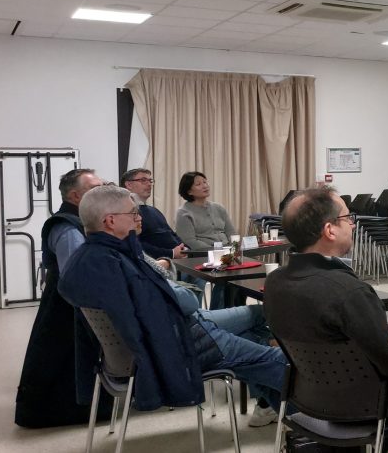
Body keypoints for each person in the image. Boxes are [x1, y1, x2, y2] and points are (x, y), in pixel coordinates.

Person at [58, 185, 287, 419]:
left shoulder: (85, 260)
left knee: (254, 338)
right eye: (133, 213)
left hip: (141, 351)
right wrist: (170, 283)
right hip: (181, 344)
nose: (139, 218)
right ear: (110, 221)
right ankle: (301, 419)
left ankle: (275, 411)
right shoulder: (123, 265)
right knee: (282, 360)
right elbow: (188, 303)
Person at [265, 186, 388, 392]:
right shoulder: (350, 292)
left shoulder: (274, 281)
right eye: (347, 218)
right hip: (363, 402)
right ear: (330, 230)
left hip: (307, 396)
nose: (353, 225)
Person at [15, 169, 112, 428]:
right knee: (62, 360)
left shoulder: (86, 221)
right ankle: (64, 411)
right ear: (76, 196)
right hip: (66, 308)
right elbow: (77, 275)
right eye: (95, 187)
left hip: (75, 303)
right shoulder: (67, 226)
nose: (102, 191)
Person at [175, 171, 236, 308]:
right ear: (189, 191)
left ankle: (227, 310)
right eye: (198, 184)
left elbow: (231, 233)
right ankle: (216, 313)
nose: (204, 186)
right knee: (220, 276)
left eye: (205, 182)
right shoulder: (184, 212)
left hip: (226, 253)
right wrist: (216, 252)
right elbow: (190, 241)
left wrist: (233, 248)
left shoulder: (219, 208)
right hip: (201, 255)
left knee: (238, 277)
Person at [121, 168, 186, 260]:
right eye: (143, 180)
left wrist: (185, 248)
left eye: (150, 181)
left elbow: (171, 233)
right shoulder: (125, 213)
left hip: (179, 259)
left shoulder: (154, 210)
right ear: (129, 184)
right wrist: (170, 253)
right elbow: (135, 244)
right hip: (158, 262)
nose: (149, 184)